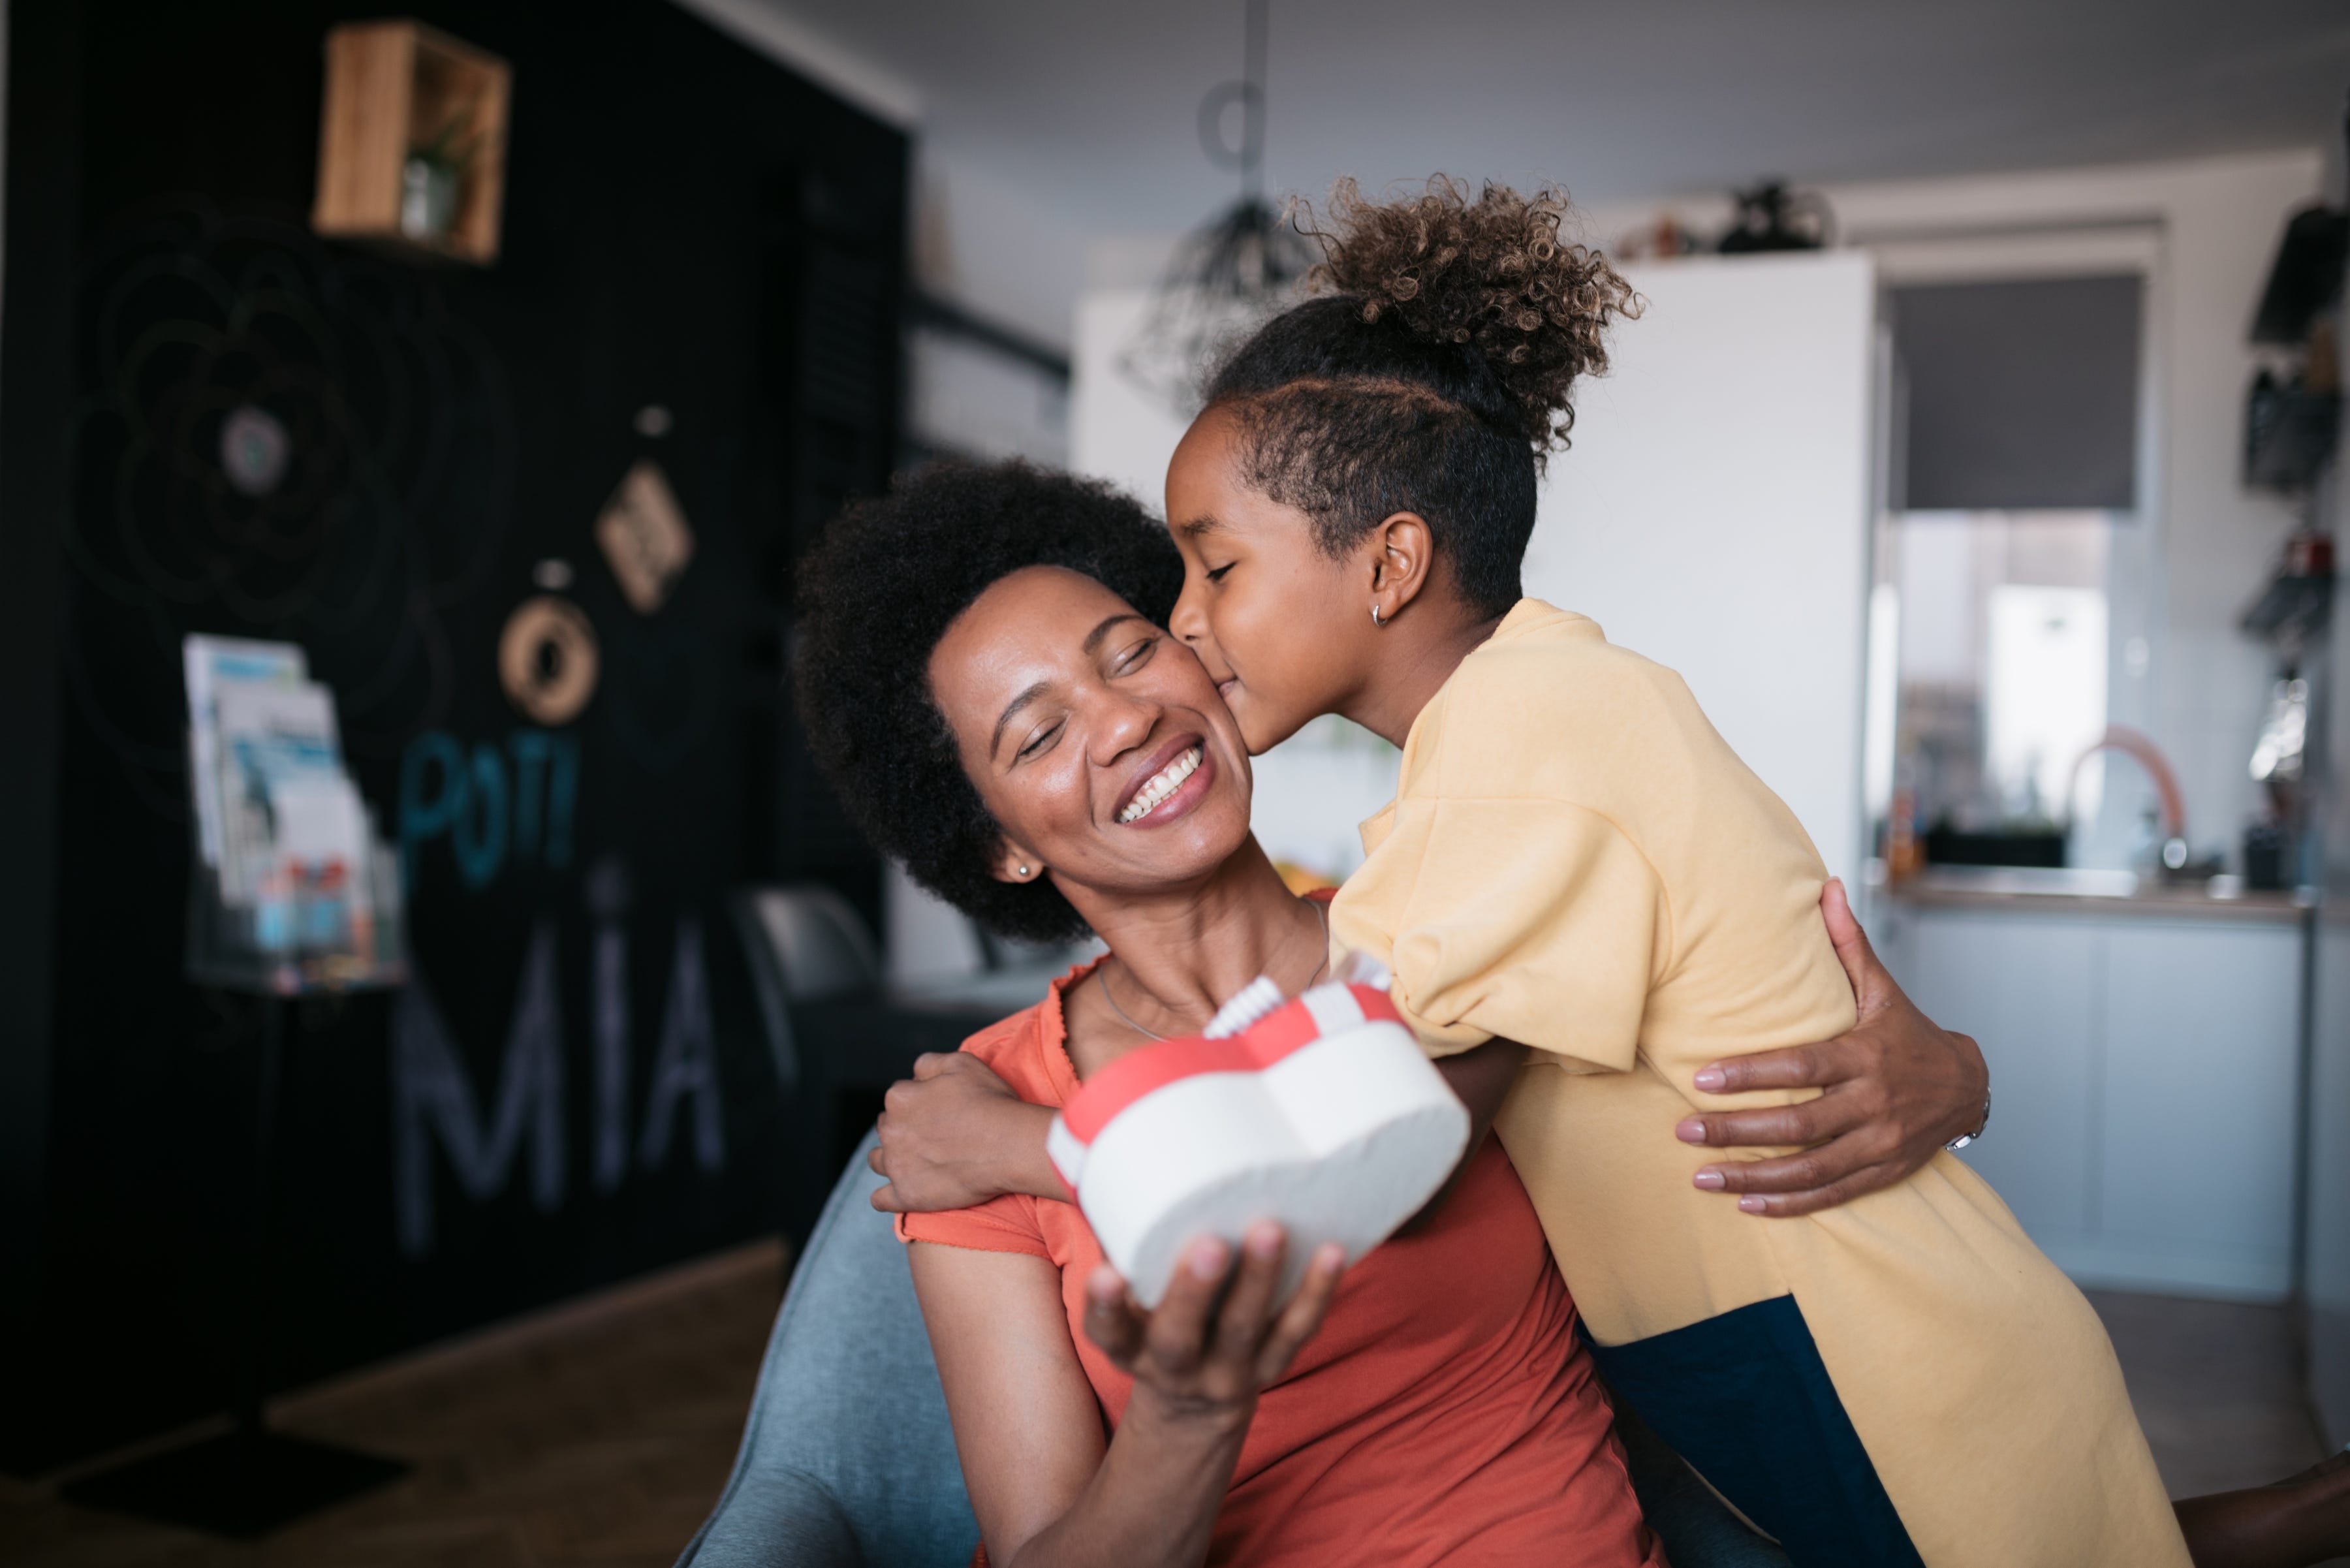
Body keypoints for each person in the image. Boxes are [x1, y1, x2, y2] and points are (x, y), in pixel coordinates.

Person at [791, 465, 1687, 1567]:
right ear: (1002, 846)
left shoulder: (1429, 930)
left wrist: (1948, 1080)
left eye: (1130, 651)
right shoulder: (979, 1110)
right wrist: (1186, 1414)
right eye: (1037, 736)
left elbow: (1355, 1126)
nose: (1125, 719)